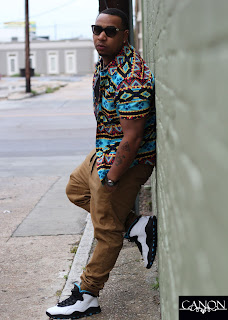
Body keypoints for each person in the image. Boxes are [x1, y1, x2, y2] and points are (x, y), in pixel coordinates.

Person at [46, 8, 157, 319]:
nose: (101, 36)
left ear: (124, 35)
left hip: (124, 162)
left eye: (110, 31)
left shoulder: (131, 77)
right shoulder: (107, 62)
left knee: (105, 230)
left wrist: (111, 179)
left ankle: (87, 295)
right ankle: (137, 224)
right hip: (103, 151)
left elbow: (132, 139)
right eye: (97, 29)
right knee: (76, 189)